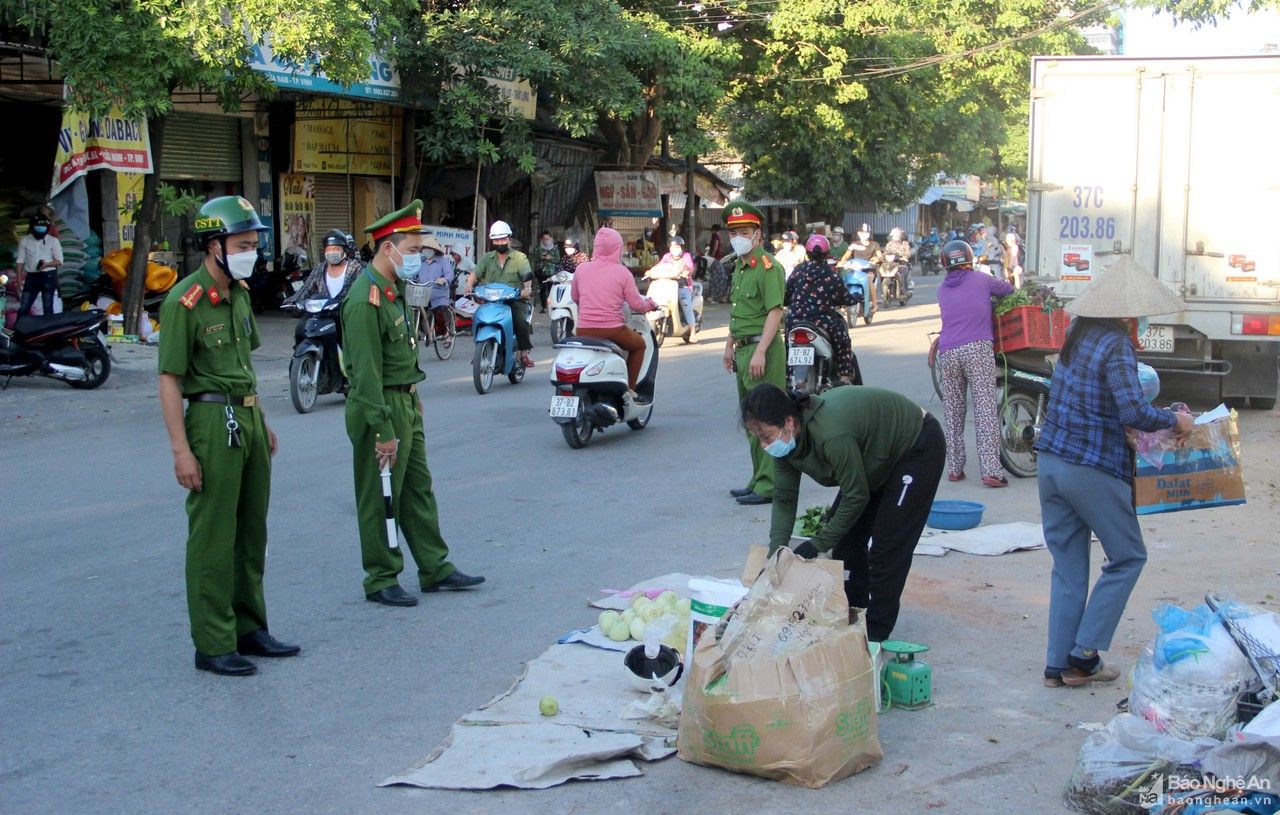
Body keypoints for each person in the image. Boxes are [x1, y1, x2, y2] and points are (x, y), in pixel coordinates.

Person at [1035, 257, 1193, 688]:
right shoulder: (1115, 343)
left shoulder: (1076, 333)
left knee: (1068, 568)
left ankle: (1057, 665)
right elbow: (1133, 411)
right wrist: (1175, 420)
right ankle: (1083, 657)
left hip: (1051, 464)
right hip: (1090, 468)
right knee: (1127, 557)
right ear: (1126, 313)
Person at [156, 195, 297, 676]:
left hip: (249, 419)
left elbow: (243, 367)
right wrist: (181, 451)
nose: (251, 253)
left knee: (250, 531)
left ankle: (248, 628)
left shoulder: (237, 294)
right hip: (213, 425)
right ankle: (213, 642)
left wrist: (264, 420)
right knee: (214, 535)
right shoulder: (184, 301)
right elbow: (170, 378)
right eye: (242, 244)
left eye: (254, 244)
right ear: (212, 244)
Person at [343, 199, 485, 607]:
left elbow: (401, 354)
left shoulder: (393, 290)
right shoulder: (363, 299)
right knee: (379, 495)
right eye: (410, 251)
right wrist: (382, 429)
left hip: (404, 401)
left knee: (417, 489)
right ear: (387, 248)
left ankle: (434, 567)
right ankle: (381, 577)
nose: (417, 260)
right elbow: (366, 374)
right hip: (379, 408)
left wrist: (415, 397)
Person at [745, 383, 945, 642]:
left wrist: (816, 544)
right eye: (758, 438)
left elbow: (856, 495)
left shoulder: (831, 433)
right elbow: (784, 498)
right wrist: (776, 556)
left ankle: (873, 636)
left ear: (789, 421)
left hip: (915, 446)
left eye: (767, 437)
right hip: (874, 459)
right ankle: (853, 612)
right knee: (846, 543)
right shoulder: (785, 443)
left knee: (887, 548)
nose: (765, 445)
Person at [930, 240, 1015, 487]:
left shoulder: (942, 289)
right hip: (977, 348)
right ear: (968, 258)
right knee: (985, 409)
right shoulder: (981, 280)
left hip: (947, 352)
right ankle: (991, 471)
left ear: (945, 263)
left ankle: (955, 468)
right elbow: (1008, 291)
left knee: (953, 411)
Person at [722, 202, 787, 506]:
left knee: (768, 420)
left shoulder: (768, 267)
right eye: (734, 232)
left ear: (758, 234)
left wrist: (761, 351)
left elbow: (774, 313)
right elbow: (739, 313)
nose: (738, 236)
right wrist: (729, 345)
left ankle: (771, 484)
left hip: (763, 349)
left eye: (745, 231)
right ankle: (758, 478)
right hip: (744, 348)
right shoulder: (739, 266)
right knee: (752, 420)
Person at [570, 227, 659, 399]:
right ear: (617, 249)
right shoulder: (622, 272)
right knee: (639, 345)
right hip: (612, 330)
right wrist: (650, 304)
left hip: (583, 329)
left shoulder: (581, 269)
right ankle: (630, 389)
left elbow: (575, 297)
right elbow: (636, 305)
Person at [784, 233, 861, 386]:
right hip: (823, 320)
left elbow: (786, 296)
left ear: (807, 252)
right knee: (843, 341)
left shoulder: (798, 271)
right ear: (826, 254)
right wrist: (855, 298)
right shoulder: (831, 274)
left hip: (795, 320)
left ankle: (788, 376)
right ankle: (845, 376)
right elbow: (845, 298)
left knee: (786, 344)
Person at [463, 220, 535, 368]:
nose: (500, 242)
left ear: (509, 239)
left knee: (521, 320)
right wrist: (469, 285)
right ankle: (479, 350)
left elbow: (527, 276)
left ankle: (524, 352)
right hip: (490, 301)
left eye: (503, 239)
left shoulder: (520, 258)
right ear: (492, 241)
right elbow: (475, 273)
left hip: (513, 300)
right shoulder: (486, 258)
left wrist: (527, 289)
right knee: (477, 317)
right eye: (496, 240)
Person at [284, 229, 362, 307]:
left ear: (344, 251)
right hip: (322, 314)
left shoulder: (355, 268)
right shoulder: (320, 268)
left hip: (345, 313)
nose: (332, 252)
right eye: (329, 249)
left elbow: (362, 291)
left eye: (336, 249)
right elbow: (307, 288)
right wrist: (292, 301)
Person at [643, 235, 698, 340]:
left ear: (682, 247)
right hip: (668, 285)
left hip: (683, 286)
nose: (675, 249)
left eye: (677, 246)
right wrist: (651, 271)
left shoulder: (686, 256)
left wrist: (686, 271)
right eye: (673, 247)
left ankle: (693, 332)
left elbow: (689, 266)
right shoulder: (667, 257)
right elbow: (659, 265)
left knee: (685, 303)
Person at [16, 212, 63, 316]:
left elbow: (59, 261)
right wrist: (18, 279)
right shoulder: (25, 241)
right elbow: (20, 261)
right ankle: (18, 330)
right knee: (24, 306)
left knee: (47, 307)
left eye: (43, 227)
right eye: (38, 226)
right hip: (31, 277)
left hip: (48, 276)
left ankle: (48, 331)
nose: (41, 229)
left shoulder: (53, 241)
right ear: (32, 227)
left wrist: (47, 264)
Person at [417, 235, 455, 342]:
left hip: (439, 294)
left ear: (434, 250)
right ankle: (422, 332)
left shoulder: (442, 261)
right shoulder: (420, 261)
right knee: (415, 310)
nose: (426, 250)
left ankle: (446, 334)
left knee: (440, 311)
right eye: (424, 248)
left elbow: (449, 274)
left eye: (428, 248)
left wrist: (444, 280)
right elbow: (413, 275)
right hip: (423, 294)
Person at [840, 223, 883, 313]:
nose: (864, 234)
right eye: (862, 232)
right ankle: (843, 303)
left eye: (866, 232)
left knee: (869, 278)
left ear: (870, 233)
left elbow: (880, 256)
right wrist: (841, 262)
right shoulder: (853, 244)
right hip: (855, 269)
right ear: (858, 233)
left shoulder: (874, 244)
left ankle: (875, 305)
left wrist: (877, 258)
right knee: (844, 279)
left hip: (869, 269)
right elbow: (846, 256)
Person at [533, 231, 560, 313]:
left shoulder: (555, 249)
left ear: (551, 239)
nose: (546, 241)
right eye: (544, 239)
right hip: (541, 272)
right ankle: (544, 307)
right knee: (542, 290)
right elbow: (534, 259)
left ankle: (552, 306)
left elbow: (558, 260)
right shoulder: (538, 249)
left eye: (547, 239)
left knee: (551, 290)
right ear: (541, 239)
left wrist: (550, 258)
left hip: (551, 273)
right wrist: (540, 257)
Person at [882, 227, 913, 298]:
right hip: (891, 263)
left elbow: (907, 253)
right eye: (893, 236)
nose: (894, 237)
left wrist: (904, 257)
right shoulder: (889, 244)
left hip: (901, 263)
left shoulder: (904, 244)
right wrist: (882, 256)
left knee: (904, 270)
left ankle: (903, 290)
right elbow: (885, 252)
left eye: (896, 235)